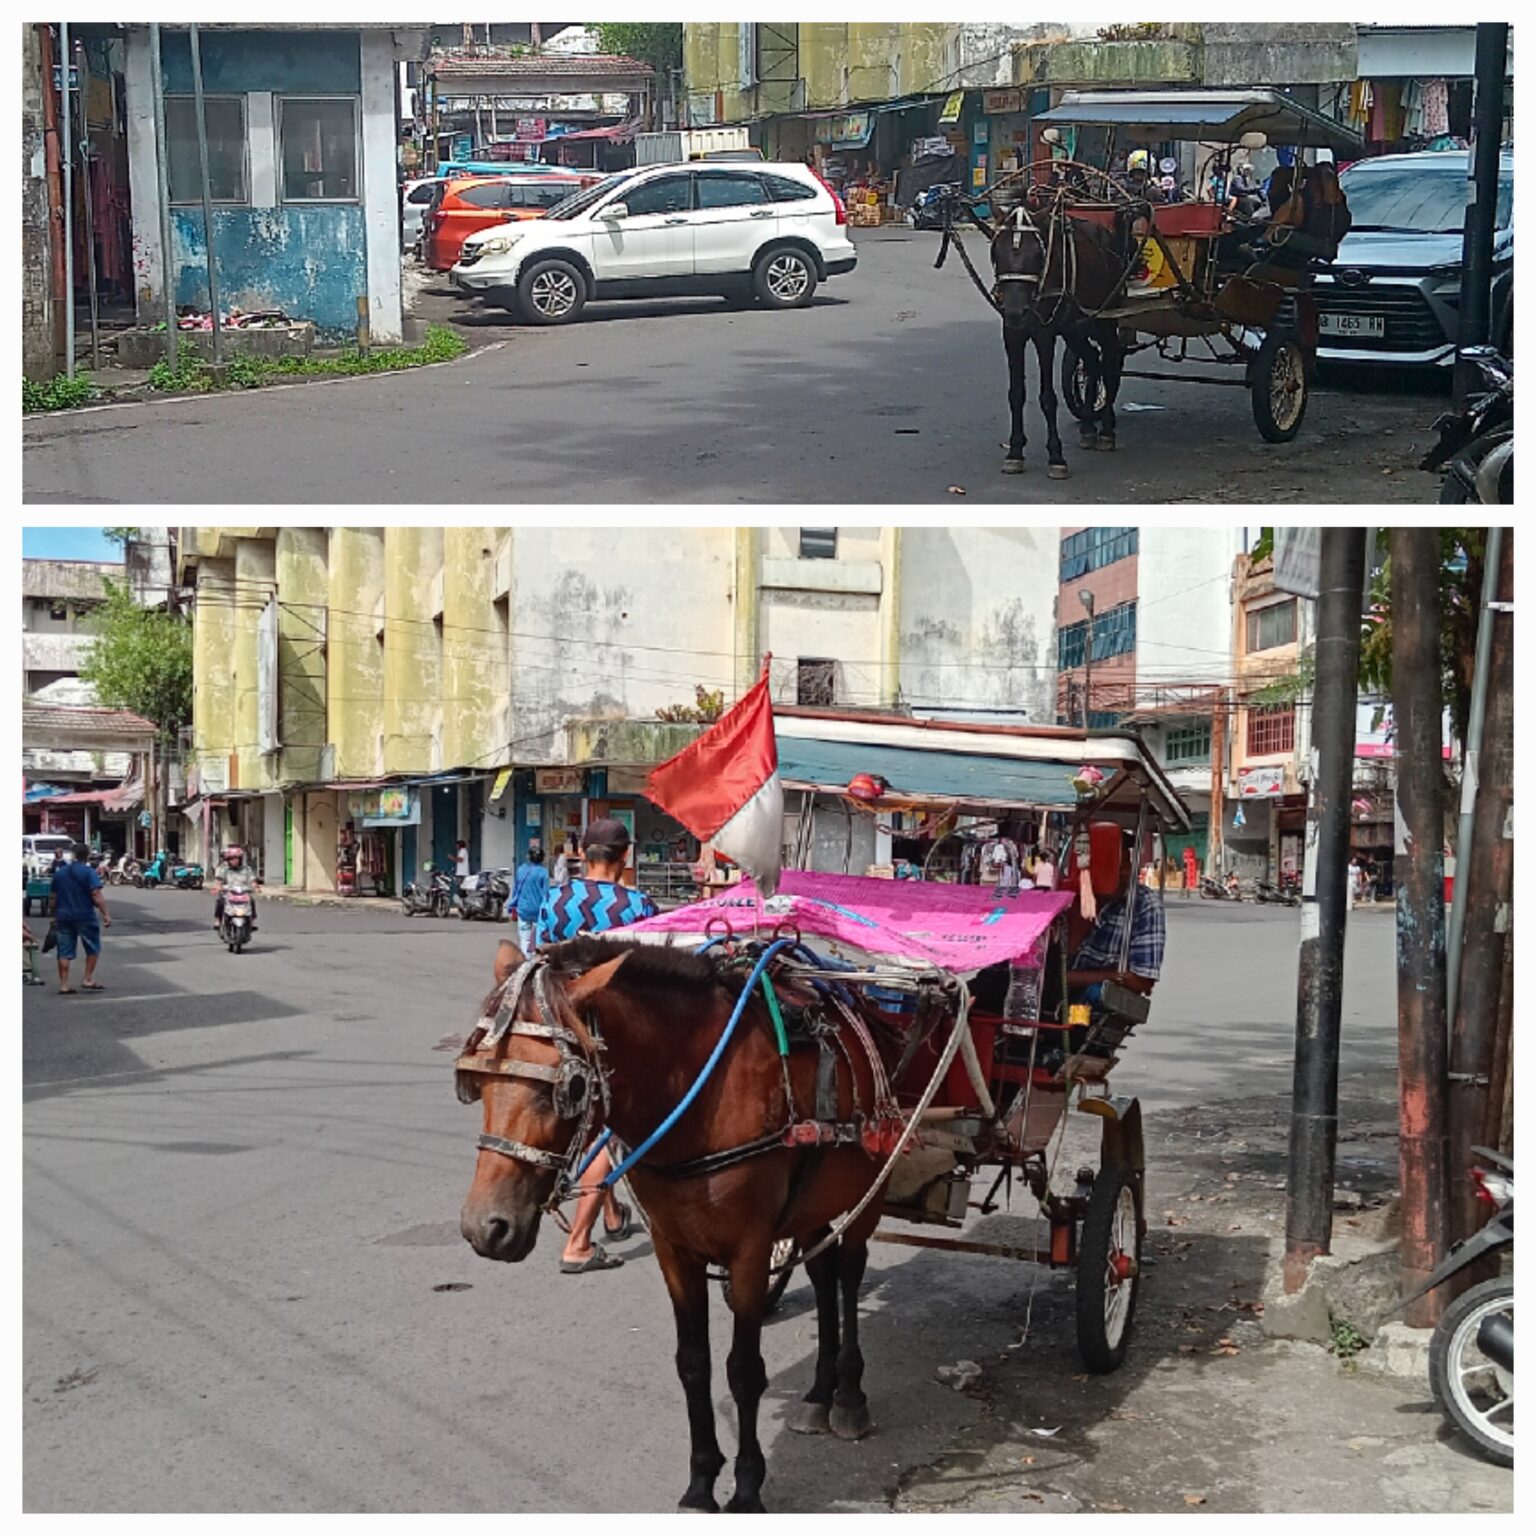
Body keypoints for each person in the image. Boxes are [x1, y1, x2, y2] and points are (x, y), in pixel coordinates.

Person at [498, 818, 657, 1275]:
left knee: (588, 1124)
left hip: (560, 1025)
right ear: (624, 859)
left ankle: (610, 1214)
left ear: (582, 855)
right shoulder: (639, 904)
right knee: (602, 1132)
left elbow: (542, 961)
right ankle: (578, 1242)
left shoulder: (555, 900)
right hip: (613, 1029)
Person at [1067, 835, 1166, 999]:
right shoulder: (1065, 896)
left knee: (1095, 993)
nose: (1125, 872)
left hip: (1097, 1002)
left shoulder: (1144, 904)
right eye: (1114, 865)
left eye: (1126, 864)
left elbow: (1142, 981)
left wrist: (1071, 979)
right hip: (1043, 990)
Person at [51, 841, 111, 994]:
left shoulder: (60, 872)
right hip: (85, 915)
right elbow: (96, 894)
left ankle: (64, 984)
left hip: (63, 916)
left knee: (64, 950)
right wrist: (105, 914)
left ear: (73, 854)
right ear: (88, 855)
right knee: (92, 946)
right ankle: (88, 978)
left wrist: (53, 915)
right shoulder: (89, 872)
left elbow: (53, 897)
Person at [506, 842, 549, 955]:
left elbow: (516, 890)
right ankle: (536, 960)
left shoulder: (521, 870)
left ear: (529, 857)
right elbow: (546, 893)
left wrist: (512, 906)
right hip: (538, 910)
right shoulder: (543, 872)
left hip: (523, 909)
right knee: (538, 938)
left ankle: (526, 961)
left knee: (525, 939)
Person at [212, 845, 257, 934]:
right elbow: (219, 880)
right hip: (228, 893)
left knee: (251, 901)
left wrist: (255, 886)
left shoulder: (246, 869)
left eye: (237, 858)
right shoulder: (224, 869)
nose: (235, 861)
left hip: (243, 893)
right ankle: (218, 920)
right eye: (232, 859)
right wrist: (218, 887)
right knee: (220, 901)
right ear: (228, 860)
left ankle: (252, 921)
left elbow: (252, 880)